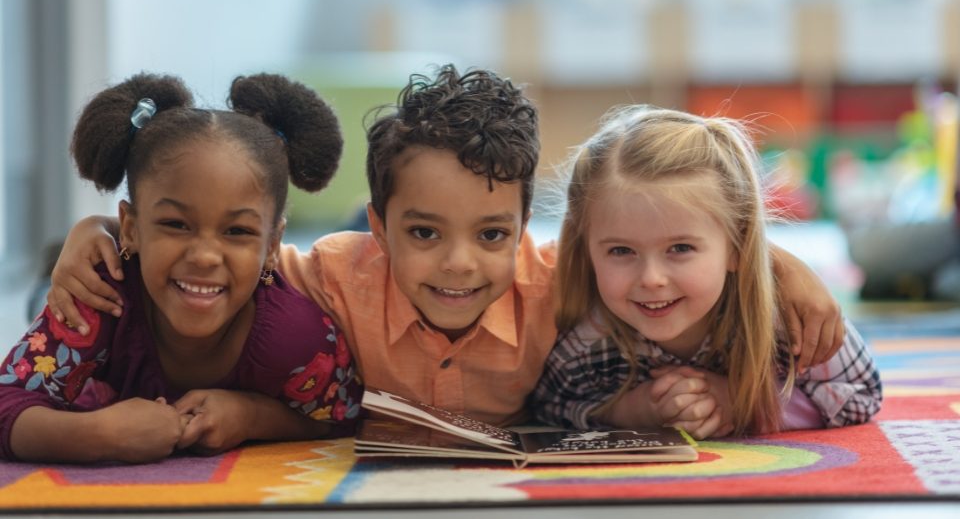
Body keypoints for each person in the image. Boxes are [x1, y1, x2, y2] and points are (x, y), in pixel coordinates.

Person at [46, 67, 843, 427]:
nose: (459, 263)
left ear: (527, 228)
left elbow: (662, 242)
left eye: (492, 234)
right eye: (423, 233)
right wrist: (89, 233)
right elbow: (221, 255)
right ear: (378, 226)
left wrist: (777, 261)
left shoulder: (561, 284)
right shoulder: (331, 275)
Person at [0, 73, 362, 463]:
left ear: (272, 246)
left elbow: (343, 414)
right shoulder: (99, 295)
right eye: (176, 224)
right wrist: (93, 434)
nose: (205, 256)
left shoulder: (296, 336)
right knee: (53, 295)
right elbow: (10, 399)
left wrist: (252, 417)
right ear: (131, 228)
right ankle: (51, 273)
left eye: (237, 230)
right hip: (99, 307)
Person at [531, 106, 882, 439]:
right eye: (621, 251)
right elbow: (548, 405)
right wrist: (629, 412)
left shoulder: (788, 318)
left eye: (680, 249)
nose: (652, 278)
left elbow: (861, 393)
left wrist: (749, 405)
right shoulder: (589, 337)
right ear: (586, 250)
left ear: (736, 246)